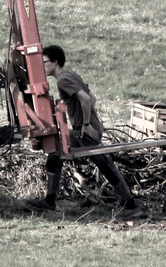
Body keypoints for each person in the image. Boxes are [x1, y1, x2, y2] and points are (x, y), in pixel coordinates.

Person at [27, 45, 140, 213]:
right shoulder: (71, 74)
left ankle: (129, 203)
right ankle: (129, 202)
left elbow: (86, 99)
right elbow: (92, 98)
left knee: (103, 164)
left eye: (45, 62)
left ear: (55, 62)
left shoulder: (63, 80)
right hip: (83, 131)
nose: (43, 66)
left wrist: (86, 125)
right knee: (59, 157)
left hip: (87, 131)